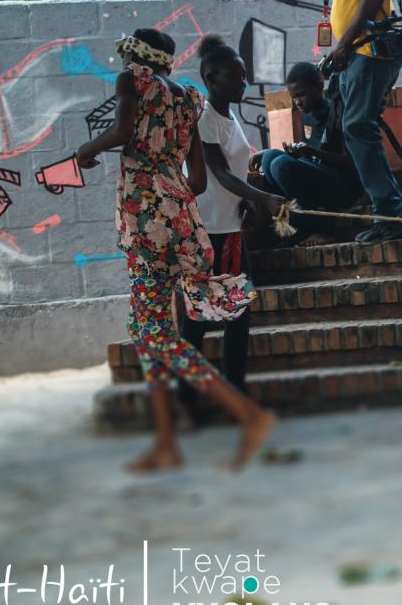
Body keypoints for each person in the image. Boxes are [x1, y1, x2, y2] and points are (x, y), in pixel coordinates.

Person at [76, 28, 275, 472]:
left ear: (135, 59)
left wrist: (85, 151)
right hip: (181, 220)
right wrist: (167, 187)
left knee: (155, 333)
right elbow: (200, 182)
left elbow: (124, 129)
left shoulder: (133, 82)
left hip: (146, 224)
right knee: (148, 328)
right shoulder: (189, 98)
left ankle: (249, 416)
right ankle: (165, 440)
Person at [289, 0, 402, 244]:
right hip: (353, 53)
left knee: (358, 126)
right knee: (350, 126)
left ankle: (392, 215)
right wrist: (337, 51)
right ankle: (384, 209)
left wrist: (345, 45)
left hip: (369, 51)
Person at [176, 35, 288, 417]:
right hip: (206, 233)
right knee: (198, 321)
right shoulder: (206, 119)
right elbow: (221, 174)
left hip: (228, 229)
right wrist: (262, 198)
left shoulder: (227, 113)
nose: (244, 83)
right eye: (237, 77)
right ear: (211, 76)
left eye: (244, 76)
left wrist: (249, 202)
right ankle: (190, 402)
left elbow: (236, 171)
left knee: (237, 317)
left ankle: (232, 395)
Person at [253, 61, 365, 245]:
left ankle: (317, 228)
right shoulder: (306, 116)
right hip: (320, 180)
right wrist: (299, 153)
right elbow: (310, 160)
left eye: (302, 95)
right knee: (270, 158)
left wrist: (312, 152)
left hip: (345, 187)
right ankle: (290, 228)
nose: (298, 102)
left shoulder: (337, 113)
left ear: (319, 86)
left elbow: (353, 163)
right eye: (294, 97)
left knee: (281, 165)